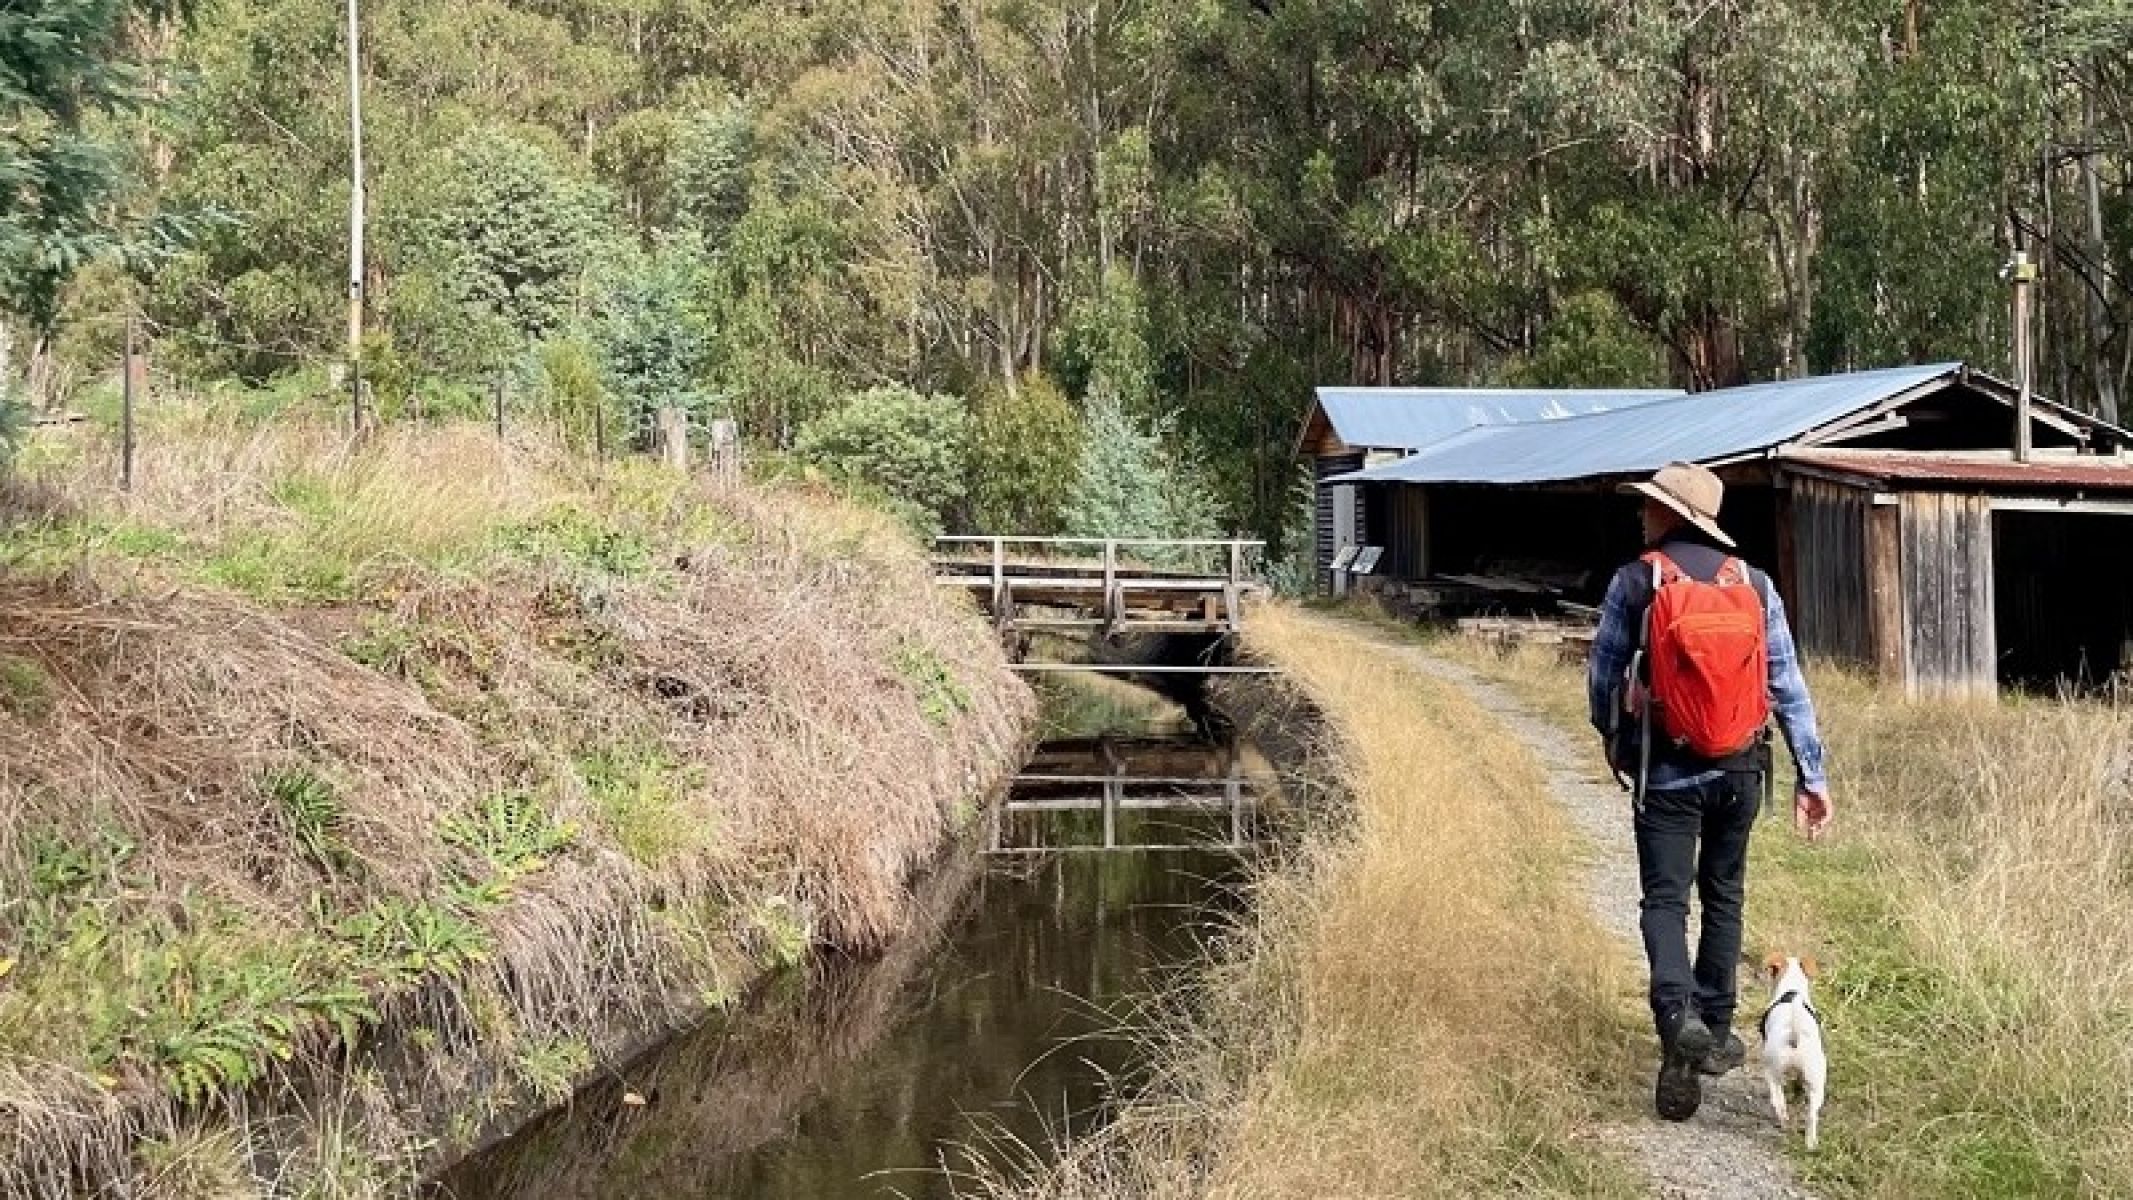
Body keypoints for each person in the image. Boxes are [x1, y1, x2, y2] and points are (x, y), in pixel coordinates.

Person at [1586, 461, 1833, 1123]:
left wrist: (1614, 742)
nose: (1642, 513)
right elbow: (1786, 686)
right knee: (1723, 893)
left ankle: (1676, 1017)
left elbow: (1604, 675)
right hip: (1740, 770)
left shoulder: (1636, 580)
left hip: (1665, 770)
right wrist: (1812, 777)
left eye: (1650, 505)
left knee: (1665, 899)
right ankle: (1714, 1024)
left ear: (1670, 515)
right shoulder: (1753, 583)